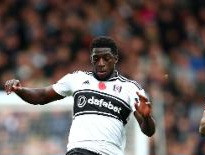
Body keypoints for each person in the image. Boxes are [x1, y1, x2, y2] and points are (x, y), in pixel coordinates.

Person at [4, 36, 156, 155]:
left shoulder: (130, 88)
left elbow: (148, 131)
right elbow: (42, 96)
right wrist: (20, 90)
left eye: (106, 58)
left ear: (115, 58)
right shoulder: (77, 79)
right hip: (80, 150)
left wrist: (147, 118)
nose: (101, 63)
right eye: (96, 59)